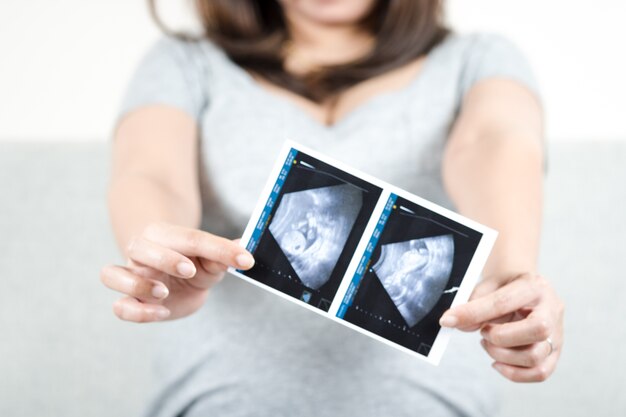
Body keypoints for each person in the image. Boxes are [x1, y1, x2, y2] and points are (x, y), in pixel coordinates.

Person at [100, 0, 564, 415]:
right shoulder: (184, 62)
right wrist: (160, 257)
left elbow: (495, 143)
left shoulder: (478, 59)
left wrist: (511, 275)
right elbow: (148, 171)